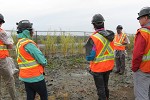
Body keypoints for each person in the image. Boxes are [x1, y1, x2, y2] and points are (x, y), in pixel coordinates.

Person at [15, 20, 48, 100]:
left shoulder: (19, 43)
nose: (32, 31)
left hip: (25, 76)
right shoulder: (29, 44)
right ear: (27, 31)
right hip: (35, 76)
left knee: (30, 96)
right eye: (31, 30)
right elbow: (43, 61)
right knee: (44, 96)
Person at [85, 14, 115, 100]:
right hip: (109, 66)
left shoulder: (93, 38)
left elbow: (89, 57)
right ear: (103, 24)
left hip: (98, 68)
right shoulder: (111, 36)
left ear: (94, 25)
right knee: (105, 85)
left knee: (100, 89)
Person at [132, 7, 150, 100]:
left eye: (140, 18)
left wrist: (134, 68)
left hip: (144, 69)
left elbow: (137, 54)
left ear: (146, 18)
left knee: (141, 96)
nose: (139, 20)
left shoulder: (143, 33)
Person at [0, 13, 18, 100]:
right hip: (2, 59)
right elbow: (10, 46)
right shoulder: (2, 33)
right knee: (9, 81)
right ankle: (14, 98)